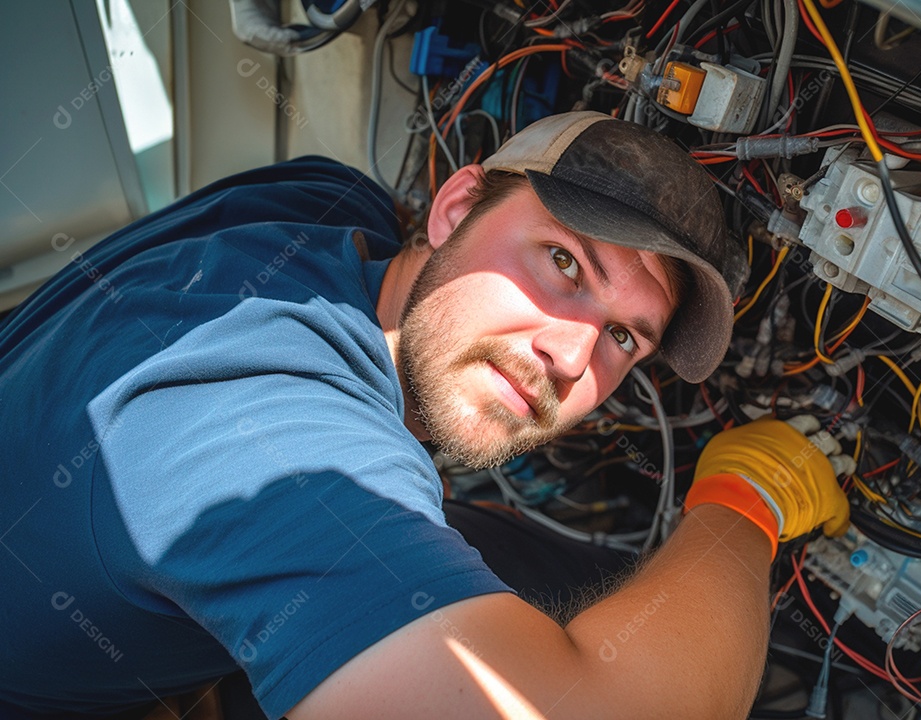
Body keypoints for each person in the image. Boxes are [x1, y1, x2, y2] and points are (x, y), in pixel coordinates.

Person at [0, 111, 848, 719]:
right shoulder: (273, 443)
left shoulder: (325, 200)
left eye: (624, 335)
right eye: (562, 262)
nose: (570, 355)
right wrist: (745, 506)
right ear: (453, 209)